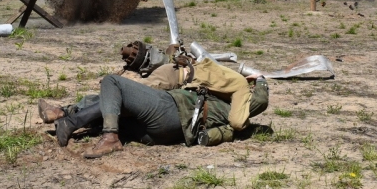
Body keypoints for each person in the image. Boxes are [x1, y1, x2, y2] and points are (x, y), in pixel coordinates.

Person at [42, 66, 268, 159]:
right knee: (117, 105)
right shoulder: (231, 111)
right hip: (168, 134)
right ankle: (64, 116)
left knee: (113, 83)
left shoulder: (238, 93)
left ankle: (108, 137)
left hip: (170, 110)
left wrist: (259, 82)